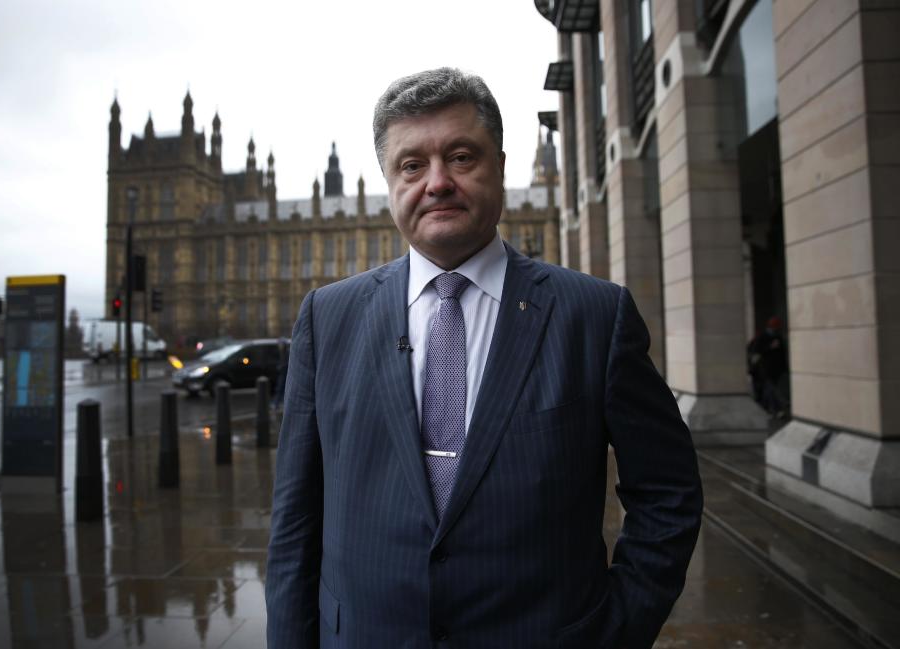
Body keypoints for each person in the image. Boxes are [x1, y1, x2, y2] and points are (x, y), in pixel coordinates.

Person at [266, 68, 703, 649]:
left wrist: (616, 630)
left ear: (501, 165)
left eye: (462, 157)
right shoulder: (328, 318)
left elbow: (667, 492)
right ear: (388, 182)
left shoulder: (594, 316)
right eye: (412, 165)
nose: (437, 182)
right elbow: (295, 525)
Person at [749, 316, 788, 418]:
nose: (775, 329)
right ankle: (778, 409)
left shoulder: (778, 337)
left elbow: (782, 354)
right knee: (771, 389)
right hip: (765, 368)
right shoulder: (762, 337)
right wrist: (770, 347)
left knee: (768, 390)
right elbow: (757, 351)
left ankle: (765, 408)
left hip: (776, 369)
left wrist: (784, 367)